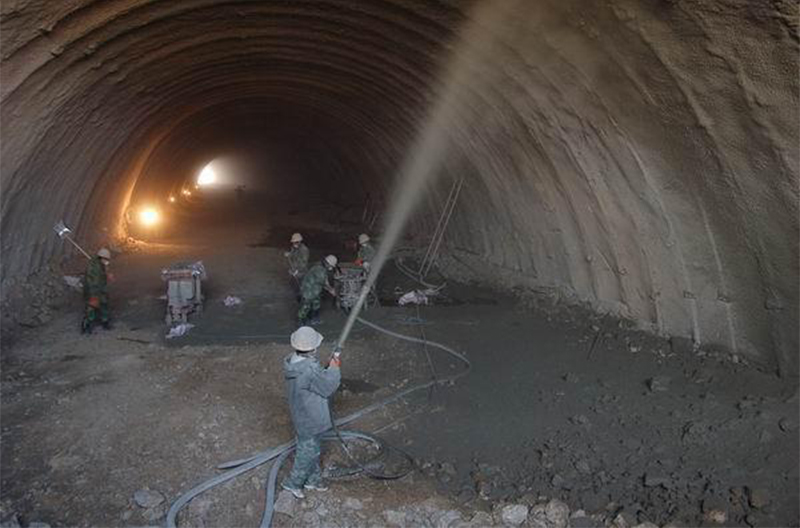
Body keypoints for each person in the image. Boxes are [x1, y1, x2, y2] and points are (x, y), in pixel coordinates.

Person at [281, 326, 341, 499]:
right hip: (311, 418)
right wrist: (335, 366)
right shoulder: (309, 370)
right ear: (313, 348)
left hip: (301, 413)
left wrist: (325, 367)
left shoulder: (294, 363)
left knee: (312, 449)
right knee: (307, 451)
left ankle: (312, 480)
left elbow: (314, 378)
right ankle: (292, 483)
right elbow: (328, 387)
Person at [298, 255, 337, 325]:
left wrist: (330, 288)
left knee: (316, 304)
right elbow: (323, 283)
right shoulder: (319, 269)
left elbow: (325, 280)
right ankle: (302, 322)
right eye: (331, 266)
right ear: (327, 263)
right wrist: (331, 290)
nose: (331, 268)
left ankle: (314, 319)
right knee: (305, 307)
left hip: (316, 290)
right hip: (308, 290)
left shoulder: (322, 267)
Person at [82, 248, 112, 333]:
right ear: (101, 258)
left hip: (101, 288)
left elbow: (102, 277)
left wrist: (107, 274)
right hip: (93, 290)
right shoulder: (94, 267)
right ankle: (87, 325)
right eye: (106, 259)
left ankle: (105, 321)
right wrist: (94, 295)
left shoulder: (101, 265)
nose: (107, 261)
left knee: (104, 304)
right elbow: (93, 281)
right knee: (91, 307)